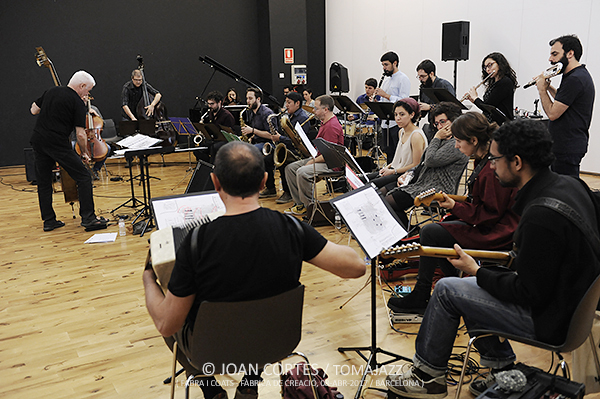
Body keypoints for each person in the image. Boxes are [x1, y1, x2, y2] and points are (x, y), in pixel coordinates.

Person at [385, 118, 600, 399]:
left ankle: (428, 379)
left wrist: (477, 271)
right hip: (570, 306)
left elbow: (526, 292)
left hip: (554, 321)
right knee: (471, 287)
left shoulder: (539, 216)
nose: (492, 166)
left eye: (496, 160)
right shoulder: (573, 185)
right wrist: (482, 276)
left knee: (449, 289)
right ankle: (500, 369)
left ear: (518, 162)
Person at [143, 141, 366, 399]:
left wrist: (148, 276)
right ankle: (250, 381)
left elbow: (167, 324)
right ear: (264, 181)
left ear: (216, 183)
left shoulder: (196, 241)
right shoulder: (291, 228)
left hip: (211, 352)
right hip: (276, 343)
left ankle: (210, 389)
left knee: (167, 310)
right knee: (258, 308)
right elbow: (356, 267)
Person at [387, 112, 519, 313]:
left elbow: (488, 215)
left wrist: (455, 206)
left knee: (432, 233)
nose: (456, 146)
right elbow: (481, 204)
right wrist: (452, 202)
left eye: (458, 141)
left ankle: (425, 293)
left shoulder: (492, 168)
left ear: (474, 141)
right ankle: (449, 289)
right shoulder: (483, 160)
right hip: (490, 224)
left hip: (497, 232)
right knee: (434, 233)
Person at [30, 70, 108, 232]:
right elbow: (80, 134)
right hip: (57, 143)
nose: (88, 93)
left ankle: (49, 221)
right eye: (88, 89)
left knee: (44, 182)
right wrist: (85, 153)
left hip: (38, 140)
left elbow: (33, 110)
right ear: (81, 86)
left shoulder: (51, 91)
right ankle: (89, 218)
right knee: (84, 177)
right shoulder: (77, 103)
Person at [379, 102, 468, 229]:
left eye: (442, 121)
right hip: (421, 182)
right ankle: (407, 230)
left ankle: (407, 231)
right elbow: (422, 162)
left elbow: (430, 160)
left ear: (454, 120)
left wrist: (436, 137)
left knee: (386, 202)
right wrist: (408, 174)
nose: (440, 127)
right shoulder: (444, 139)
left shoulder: (456, 144)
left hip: (436, 188)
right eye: (436, 123)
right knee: (381, 195)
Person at [535, 34, 595, 177]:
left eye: (554, 54)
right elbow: (565, 102)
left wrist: (541, 89)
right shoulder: (576, 75)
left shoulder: (575, 79)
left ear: (570, 53)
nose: (550, 59)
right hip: (567, 144)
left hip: (567, 146)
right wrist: (549, 87)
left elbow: (553, 113)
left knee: (564, 192)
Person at [284, 95, 345, 216]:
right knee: (290, 169)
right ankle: (300, 204)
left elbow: (330, 155)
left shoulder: (331, 126)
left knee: (302, 172)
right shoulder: (325, 122)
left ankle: (310, 207)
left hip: (331, 164)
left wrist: (311, 162)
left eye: (316, 109)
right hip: (322, 159)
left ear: (325, 109)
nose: (314, 111)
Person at [367, 98, 427, 191]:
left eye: (402, 114)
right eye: (395, 114)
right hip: (396, 170)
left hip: (405, 174)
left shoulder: (416, 136)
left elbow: (416, 164)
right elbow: (400, 159)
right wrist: (388, 166)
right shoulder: (401, 131)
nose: (397, 118)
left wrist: (393, 171)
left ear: (412, 114)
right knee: (363, 179)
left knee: (370, 186)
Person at [264, 91, 311, 205]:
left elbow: (299, 142)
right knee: (266, 158)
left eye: (289, 103)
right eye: (286, 102)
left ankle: (288, 192)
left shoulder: (302, 118)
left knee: (284, 162)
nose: (286, 105)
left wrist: (280, 138)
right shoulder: (290, 116)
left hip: (298, 151)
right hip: (288, 147)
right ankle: (270, 188)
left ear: (297, 103)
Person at [375, 51, 411, 163]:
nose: (384, 68)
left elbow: (404, 100)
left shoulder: (403, 78)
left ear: (394, 63)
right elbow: (385, 100)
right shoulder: (386, 80)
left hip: (396, 123)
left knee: (397, 151)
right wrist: (378, 100)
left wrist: (386, 95)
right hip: (386, 122)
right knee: (388, 151)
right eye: (383, 65)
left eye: (386, 65)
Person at [463, 52, 517, 124]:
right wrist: (473, 100)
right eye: (485, 67)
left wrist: (476, 98)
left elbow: (488, 107)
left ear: (499, 64)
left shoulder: (505, 82)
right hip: (491, 123)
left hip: (501, 125)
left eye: (490, 65)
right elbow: (487, 106)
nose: (487, 69)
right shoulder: (494, 83)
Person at [240, 88, 276, 197]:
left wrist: (252, 131)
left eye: (250, 98)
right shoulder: (251, 113)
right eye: (247, 98)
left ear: (258, 99)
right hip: (258, 142)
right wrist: (251, 137)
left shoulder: (267, 113)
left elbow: (272, 135)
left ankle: (263, 186)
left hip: (269, 144)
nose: (248, 101)